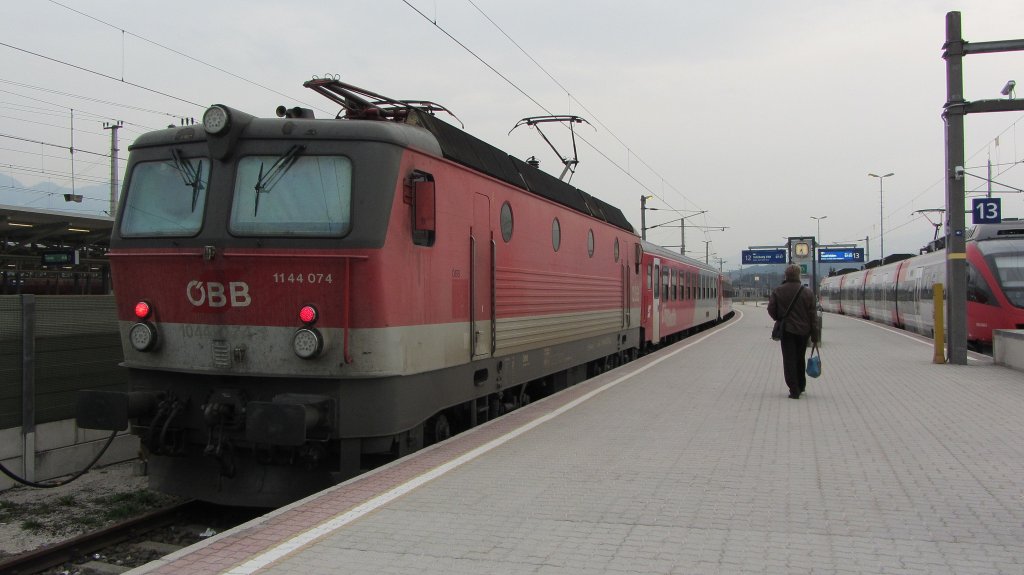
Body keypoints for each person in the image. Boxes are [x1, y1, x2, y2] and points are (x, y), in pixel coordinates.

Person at [767, 264, 818, 399]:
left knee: (789, 359)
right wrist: (815, 336)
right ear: (798, 276)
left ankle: (794, 389)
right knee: (799, 358)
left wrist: (779, 318)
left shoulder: (778, 291)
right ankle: (801, 385)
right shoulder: (807, 292)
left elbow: (771, 309)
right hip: (803, 331)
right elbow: (813, 316)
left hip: (787, 330)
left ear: (786, 275)